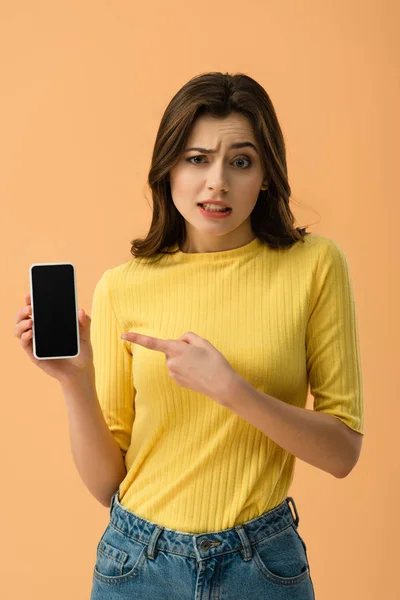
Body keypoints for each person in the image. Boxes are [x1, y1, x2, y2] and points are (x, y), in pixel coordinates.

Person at [15, 72, 364, 599]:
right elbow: (109, 485)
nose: (216, 183)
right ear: (168, 169)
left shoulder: (314, 267)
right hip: (137, 564)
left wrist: (232, 390)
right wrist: (75, 381)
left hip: (261, 565)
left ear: (266, 174)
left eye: (240, 161)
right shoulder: (123, 287)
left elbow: (342, 453)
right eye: (196, 159)